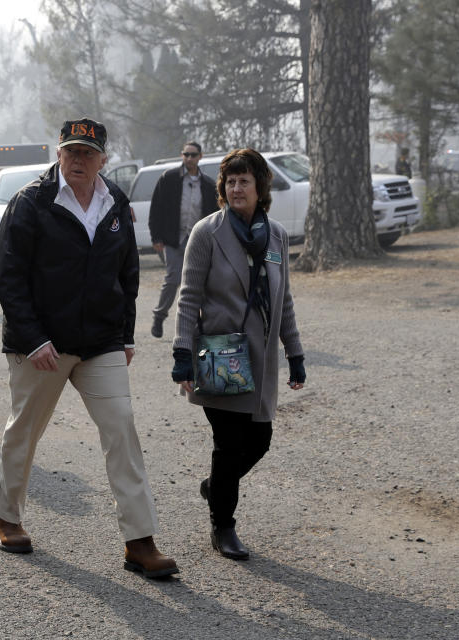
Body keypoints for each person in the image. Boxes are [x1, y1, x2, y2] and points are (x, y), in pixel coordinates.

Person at [0, 117, 178, 579]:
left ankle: (140, 541)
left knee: (122, 430)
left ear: (102, 159)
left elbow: (127, 272)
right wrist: (33, 338)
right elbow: (9, 278)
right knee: (24, 432)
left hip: (100, 343)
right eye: (71, 151)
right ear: (58, 154)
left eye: (87, 153)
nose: (78, 160)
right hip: (42, 346)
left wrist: (127, 334)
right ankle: (7, 518)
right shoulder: (30, 203)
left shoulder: (113, 200)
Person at [171, 147, 305, 560]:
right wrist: (182, 354)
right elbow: (189, 296)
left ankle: (216, 486)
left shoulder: (276, 236)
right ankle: (223, 526)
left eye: (244, 180)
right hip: (220, 354)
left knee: (259, 440)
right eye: (230, 181)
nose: (236, 188)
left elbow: (283, 301)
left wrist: (295, 352)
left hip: (261, 361)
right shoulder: (207, 233)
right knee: (229, 444)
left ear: (260, 186)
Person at [148, 142, 218, 338]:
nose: (189, 158)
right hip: (173, 239)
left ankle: (197, 323)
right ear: (182, 156)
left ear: (200, 157)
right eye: (186, 154)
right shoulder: (169, 179)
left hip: (197, 240)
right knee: (172, 279)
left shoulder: (208, 184)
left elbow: (214, 214)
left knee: (199, 282)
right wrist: (156, 237)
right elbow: (156, 209)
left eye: (193, 155)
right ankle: (159, 316)